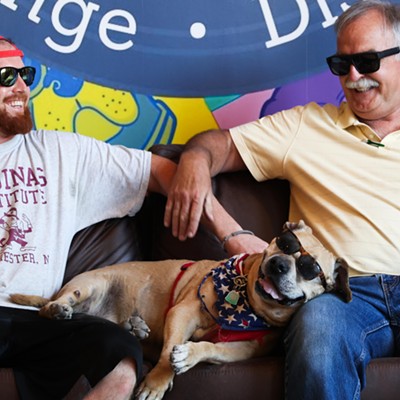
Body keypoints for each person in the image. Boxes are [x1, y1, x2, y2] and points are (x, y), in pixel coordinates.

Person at [164, 0, 400, 399]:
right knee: (319, 329)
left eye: (368, 61)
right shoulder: (306, 126)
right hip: (345, 294)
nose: (355, 77)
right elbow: (216, 145)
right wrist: (193, 159)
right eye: (342, 65)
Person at [0, 36, 180, 400]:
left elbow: (162, 172)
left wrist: (235, 237)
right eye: (6, 76)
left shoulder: (60, 153)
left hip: (36, 320)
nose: (21, 87)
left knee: (120, 352)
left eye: (25, 74)